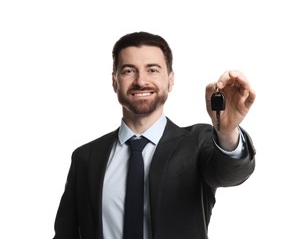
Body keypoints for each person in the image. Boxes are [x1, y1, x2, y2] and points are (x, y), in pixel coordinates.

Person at [53, 31, 256, 239]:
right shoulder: (85, 158)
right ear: (114, 82)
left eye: (152, 70)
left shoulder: (196, 143)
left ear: (170, 80)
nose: (141, 81)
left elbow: (230, 173)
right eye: (129, 71)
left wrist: (227, 130)